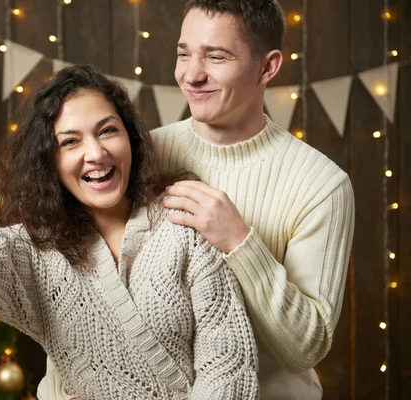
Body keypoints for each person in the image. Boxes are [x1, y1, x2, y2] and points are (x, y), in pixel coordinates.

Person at [0, 65, 260, 400]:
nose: (95, 153)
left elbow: (229, 365)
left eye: (108, 130)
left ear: (130, 136)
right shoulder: (35, 254)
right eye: (70, 142)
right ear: (49, 163)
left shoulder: (184, 223)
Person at [39, 1, 355, 399]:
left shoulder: (321, 184)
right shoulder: (140, 153)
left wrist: (239, 242)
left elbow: (306, 349)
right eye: (183, 52)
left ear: (268, 67)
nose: (191, 74)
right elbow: (83, 287)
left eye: (216, 57)